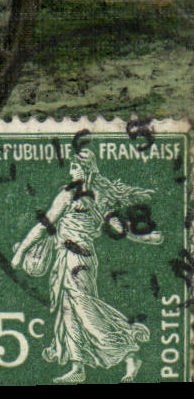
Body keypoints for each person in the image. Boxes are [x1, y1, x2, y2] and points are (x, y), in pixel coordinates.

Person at [10, 148, 161, 383]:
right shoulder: (75, 195)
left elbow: (118, 228)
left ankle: (128, 346)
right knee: (68, 311)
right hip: (67, 258)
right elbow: (46, 225)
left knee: (83, 308)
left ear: (88, 170)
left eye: (76, 167)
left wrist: (144, 237)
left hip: (80, 260)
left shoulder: (87, 196)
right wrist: (145, 237)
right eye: (71, 167)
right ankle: (78, 366)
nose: (72, 172)